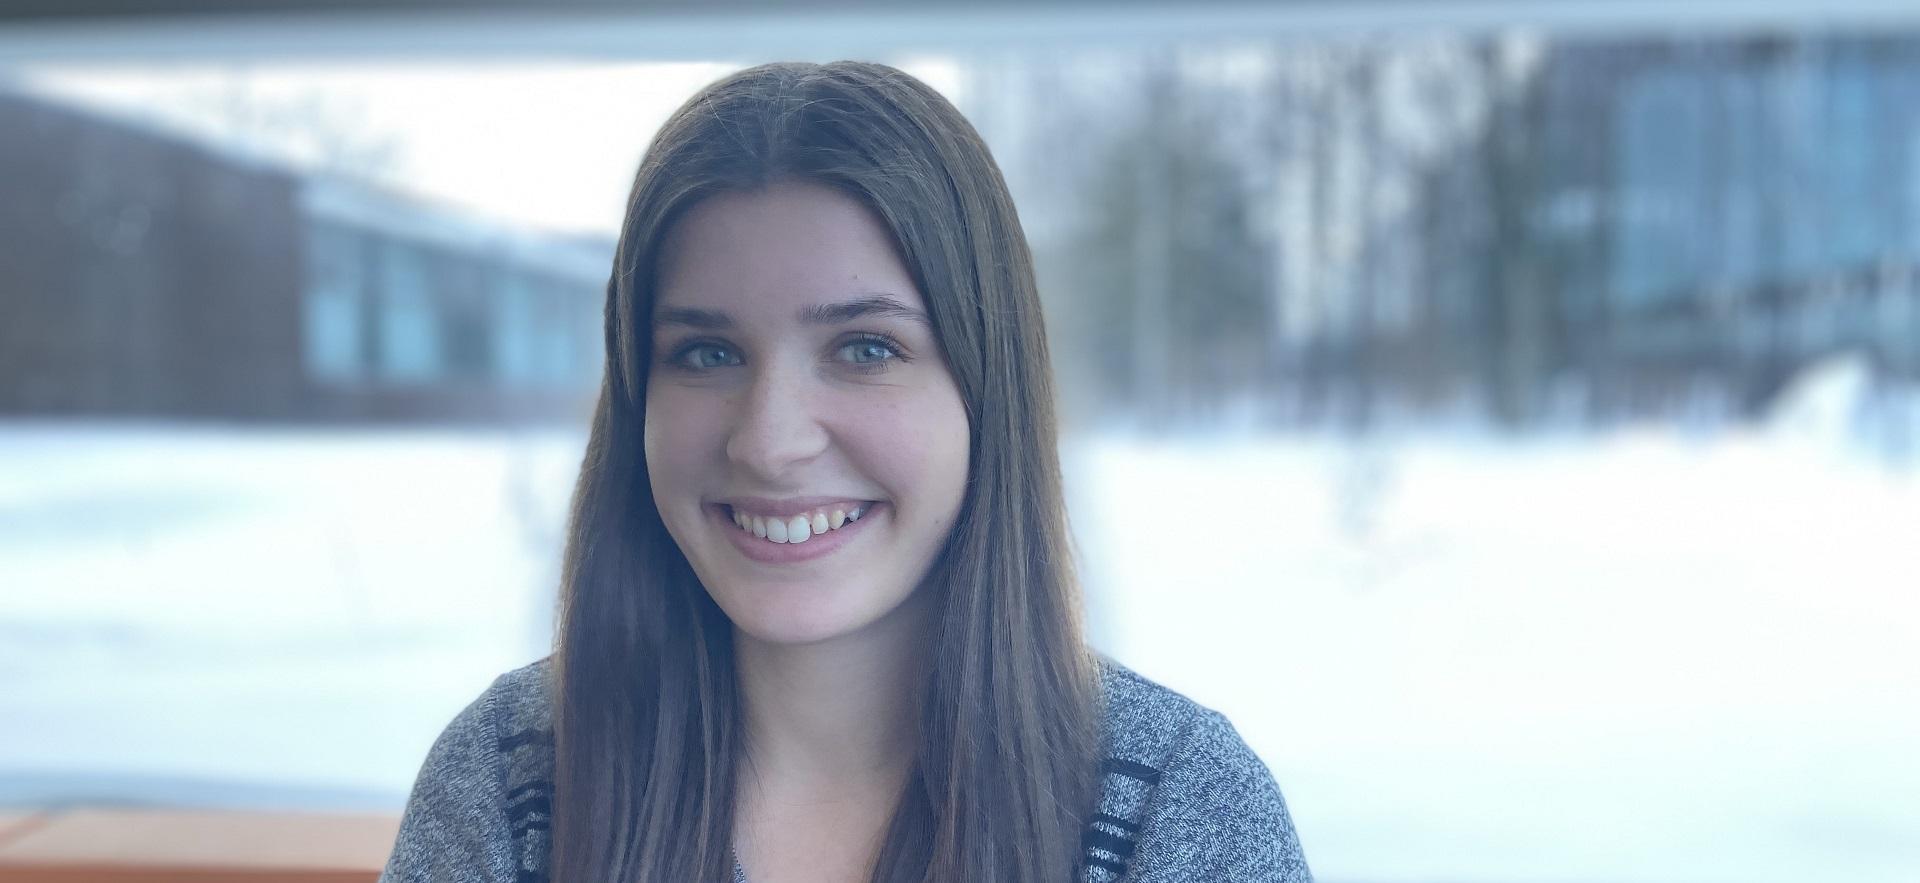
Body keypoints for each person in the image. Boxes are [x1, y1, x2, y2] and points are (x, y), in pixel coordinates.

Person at [379, 60, 1310, 883]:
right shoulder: (512, 782)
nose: (770, 441)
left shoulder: (1175, 811)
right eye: (706, 353)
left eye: (865, 347)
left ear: (987, 389)